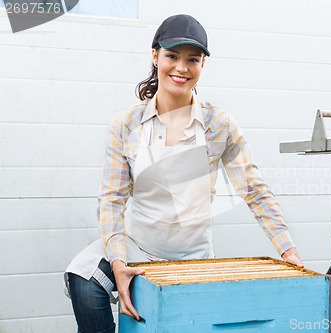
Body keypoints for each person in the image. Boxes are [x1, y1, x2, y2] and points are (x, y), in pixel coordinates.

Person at [64, 14, 302, 333]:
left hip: (192, 258)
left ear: (203, 64)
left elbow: (255, 191)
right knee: (84, 280)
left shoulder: (220, 126)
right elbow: (111, 201)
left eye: (193, 59)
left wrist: (289, 252)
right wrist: (119, 264)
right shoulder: (126, 125)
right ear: (155, 56)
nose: (181, 68)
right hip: (136, 246)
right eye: (172, 56)